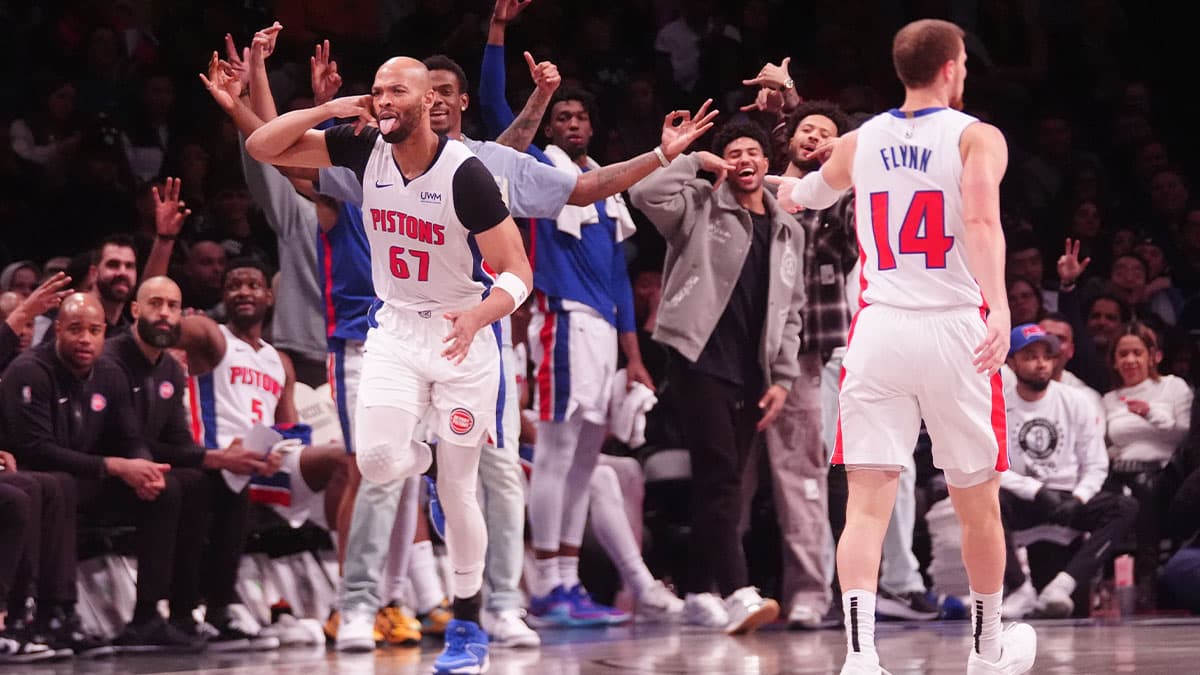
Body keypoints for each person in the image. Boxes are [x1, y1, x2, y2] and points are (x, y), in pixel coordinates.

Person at [245, 56, 536, 675]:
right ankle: (421, 462)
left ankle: (468, 627)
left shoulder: (467, 175)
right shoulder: (359, 148)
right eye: (376, 90)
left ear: (431, 100)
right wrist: (329, 109)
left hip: (462, 335)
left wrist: (481, 316)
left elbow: (517, 270)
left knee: (462, 495)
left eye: (395, 89)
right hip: (397, 329)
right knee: (377, 464)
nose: (382, 99)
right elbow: (264, 147)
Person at [769, 18, 1036, 674]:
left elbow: (802, 196)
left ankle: (860, 657)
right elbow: (979, 220)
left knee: (866, 502)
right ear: (951, 66)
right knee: (977, 499)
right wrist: (1000, 305)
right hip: (952, 326)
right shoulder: (978, 136)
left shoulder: (861, 141)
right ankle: (986, 651)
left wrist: (784, 165)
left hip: (880, 328)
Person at [629, 118, 804, 635]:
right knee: (721, 477)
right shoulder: (699, 206)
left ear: (768, 163)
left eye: (753, 151)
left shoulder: (788, 229)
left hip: (755, 373)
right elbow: (642, 192)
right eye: (734, 152)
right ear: (725, 163)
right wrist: (692, 160)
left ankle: (696, 589)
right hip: (697, 356)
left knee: (727, 487)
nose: (744, 159)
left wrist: (784, 378)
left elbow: (790, 311)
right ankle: (736, 591)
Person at [0, 293, 204, 653]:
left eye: (94, 331)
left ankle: (152, 616)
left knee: (172, 487)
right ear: (58, 330)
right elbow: (37, 450)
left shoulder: (108, 372)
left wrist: (144, 469)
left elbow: (129, 437)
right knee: (55, 484)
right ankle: (52, 612)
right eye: (75, 329)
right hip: (46, 475)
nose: (85, 339)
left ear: (103, 333)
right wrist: (115, 466)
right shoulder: (30, 369)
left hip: (86, 475)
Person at [103, 274, 292, 650]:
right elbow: (129, 438)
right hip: (105, 468)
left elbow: (174, 441)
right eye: (155, 304)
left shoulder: (171, 368)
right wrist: (216, 456)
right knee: (177, 487)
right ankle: (146, 616)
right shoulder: (113, 360)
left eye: (173, 306)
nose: (165, 313)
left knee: (201, 482)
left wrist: (218, 459)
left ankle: (192, 613)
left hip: (152, 463)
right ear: (136, 310)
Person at [998, 324, 1136, 620]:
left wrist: (1079, 498)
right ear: (1011, 362)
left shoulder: (1076, 400)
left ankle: (1062, 585)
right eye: (1030, 356)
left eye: (1047, 355)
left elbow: (1096, 464)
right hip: (1025, 496)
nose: (1041, 363)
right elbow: (992, 466)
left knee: (1125, 506)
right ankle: (1019, 589)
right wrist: (1034, 490)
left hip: (1068, 498)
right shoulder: (999, 404)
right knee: (985, 500)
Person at [1102, 322, 1193, 605]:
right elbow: (1106, 444)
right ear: (1115, 361)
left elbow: (1185, 433)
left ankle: (1148, 571)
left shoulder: (1172, 386)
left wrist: (1151, 412)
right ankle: (1102, 582)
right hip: (1120, 470)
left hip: (1163, 470)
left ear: (1153, 356)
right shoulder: (1108, 399)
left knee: (1145, 486)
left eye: (1137, 353)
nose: (1130, 360)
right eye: (1123, 354)